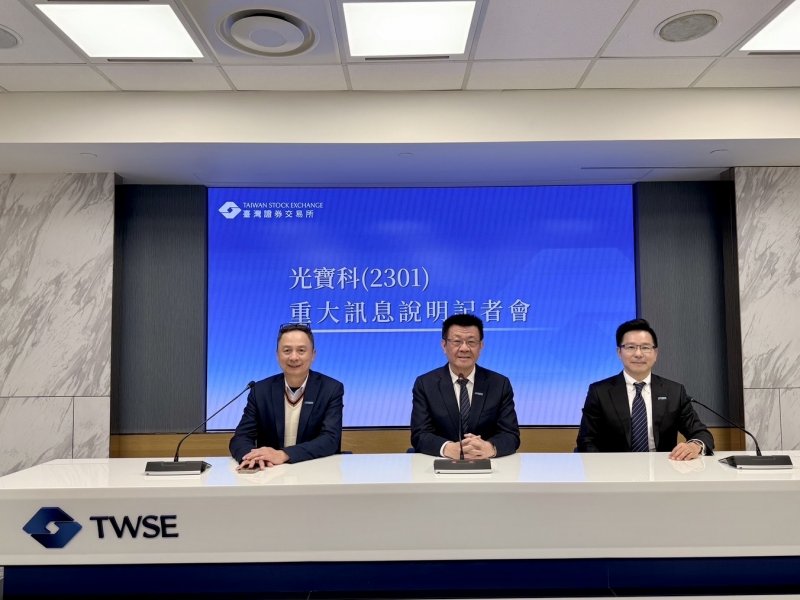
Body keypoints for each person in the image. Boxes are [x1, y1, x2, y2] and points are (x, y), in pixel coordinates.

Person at [576, 318, 713, 460]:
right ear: (619, 352)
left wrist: (695, 445)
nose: (638, 354)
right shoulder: (599, 392)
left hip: (663, 468)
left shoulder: (674, 392)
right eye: (630, 347)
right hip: (615, 468)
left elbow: (701, 433)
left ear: (655, 353)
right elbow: (586, 441)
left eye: (645, 347)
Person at [230, 323, 343, 470]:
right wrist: (253, 458)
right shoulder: (260, 391)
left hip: (314, 470)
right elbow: (241, 438)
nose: (294, 357)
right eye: (287, 350)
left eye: (301, 350)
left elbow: (330, 439)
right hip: (270, 472)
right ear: (277, 355)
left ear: (313, 355)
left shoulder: (331, 389)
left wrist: (284, 454)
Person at [411, 314, 520, 459]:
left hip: (487, 464)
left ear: (481, 346)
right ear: (444, 345)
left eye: (471, 342)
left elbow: (511, 435)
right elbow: (420, 434)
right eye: (457, 341)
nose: (464, 348)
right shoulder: (426, 384)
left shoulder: (499, 384)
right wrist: (448, 448)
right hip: (440, 465)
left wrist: (489, 448)